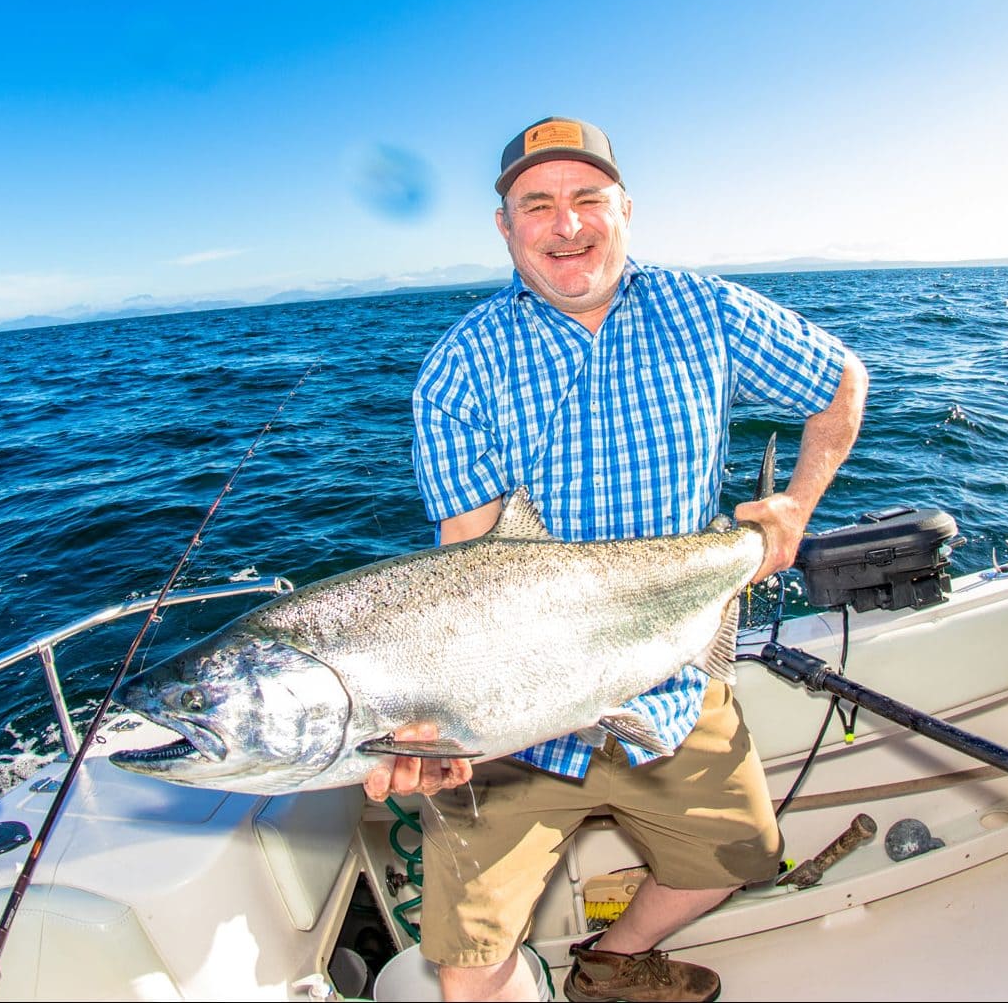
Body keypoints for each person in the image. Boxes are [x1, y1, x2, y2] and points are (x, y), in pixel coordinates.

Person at [362, 116, 868, 1003]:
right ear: (505, 227)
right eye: (538, 204)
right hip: (518, 729)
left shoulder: (704, 309)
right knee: (467, 963)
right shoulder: (457, 371)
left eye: (587, 199)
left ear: (624, 209)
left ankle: (609, 961)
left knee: (740, 857)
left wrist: (794, 504)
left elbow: (840, 383)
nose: (567, 225)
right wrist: (442, 724)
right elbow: (471, 570)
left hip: (675, 679)